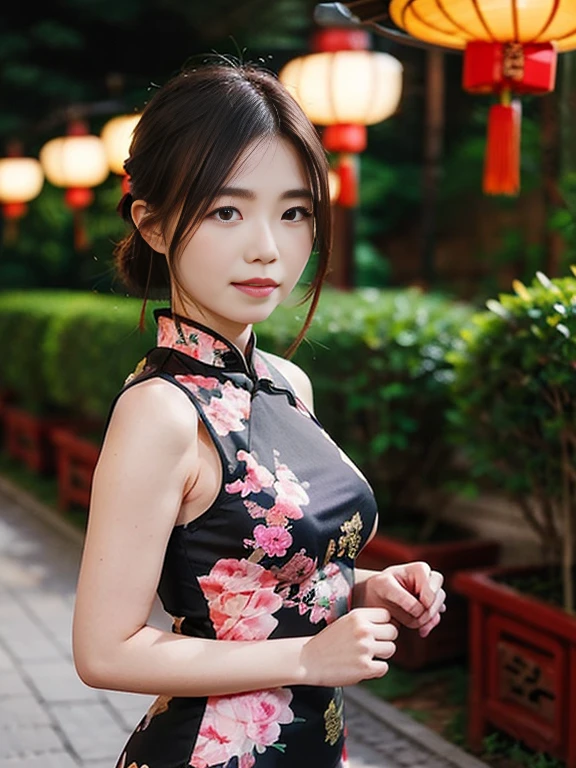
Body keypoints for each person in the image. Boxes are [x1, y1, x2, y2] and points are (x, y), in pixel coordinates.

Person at [71, 59, 446, 768]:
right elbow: (104, 650)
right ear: (151, 225)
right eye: (226, 211)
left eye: (294, 211)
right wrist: (308, 656)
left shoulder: (287, 381)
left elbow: (258, 576)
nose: (268, 249)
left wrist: (368, 585)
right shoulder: (163, 412)